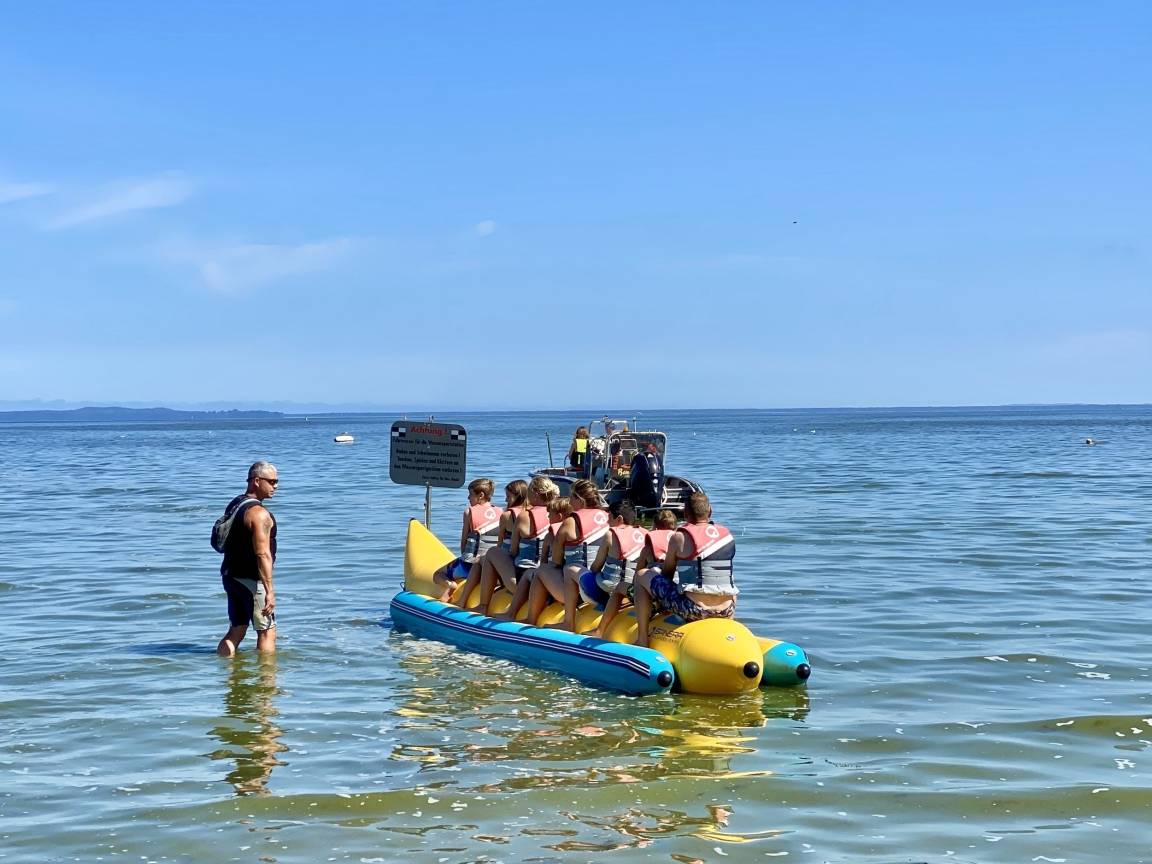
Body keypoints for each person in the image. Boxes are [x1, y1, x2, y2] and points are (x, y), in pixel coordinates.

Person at [632, 493, 736, 648]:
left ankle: (642, 639)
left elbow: (667, 574)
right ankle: (731, 633)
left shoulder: (679, 537)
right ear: (710, 511)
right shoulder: (727, 536)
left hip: (695, 610)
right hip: (727, 609)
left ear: (686, 514)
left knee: (642, 575)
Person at [217, 461, 280, 657]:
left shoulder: (236, 503)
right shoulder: (259, 514)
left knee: (237, 629)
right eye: (272, 481)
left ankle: (227, 671)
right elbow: (262, 554)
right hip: (252, 580)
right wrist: (269, 591)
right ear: (257, 481)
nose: (276, 486)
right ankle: (266, 676)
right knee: (267, 632)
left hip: (231, 576)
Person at [529, 479, 610, 630]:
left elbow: (557, 561)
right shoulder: (608, 517)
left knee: (542, 570)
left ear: (579, 499)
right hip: (603, 585)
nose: (570, 502)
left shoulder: (570, 522)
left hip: (580, 590)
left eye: (571, 497)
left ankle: (537, 620)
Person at [474, 476, 559, 615]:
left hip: (523, 580)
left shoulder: (525, 516)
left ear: (535, 494)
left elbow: (513, 551)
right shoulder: (559, 515)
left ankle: (483, 605)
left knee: (492, 552)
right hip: (551, 579)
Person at [595, 508, 678, 639]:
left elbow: (636, 578)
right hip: (675, 599)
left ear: (655, 527)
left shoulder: (648, 549)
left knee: (620, 587)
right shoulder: (680, 545)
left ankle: (600, 630)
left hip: (654, 602)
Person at [568, 500, 647, 631]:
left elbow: (596, 567)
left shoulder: (610, 535)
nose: (607, 522)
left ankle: (568, 621)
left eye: (609, 517)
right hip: (632, 590)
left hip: (607, 590)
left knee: (570, 569)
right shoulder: (645, 534)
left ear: (619, 519)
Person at [451, 479, 529, 609]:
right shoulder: (533, 514)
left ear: (517, 496)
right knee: (486, 557)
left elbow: (506, 548)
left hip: (514, 578)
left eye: (508, 496)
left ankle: (477, 603)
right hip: (529, 573)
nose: (506, 500)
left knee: (488, 556)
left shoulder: (508, 516)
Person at [494, 494, 570, 622]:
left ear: (560, 516)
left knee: (532, 573)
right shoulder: (574, 533)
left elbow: (548, 562)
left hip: (559, 586)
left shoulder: (551, 536)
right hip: (573, 585)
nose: (548, 517)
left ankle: (518, 615)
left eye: (550, 514)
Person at [432, 478, 503, 602]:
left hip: (469, 566)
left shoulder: (469, 512)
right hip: (493, 567)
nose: (468, 498)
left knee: (437, 574)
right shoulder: (502, 512)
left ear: (481, 495)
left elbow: (464, 542)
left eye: (470, 494)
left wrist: (462, 558)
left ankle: (451, 585)